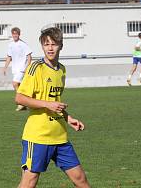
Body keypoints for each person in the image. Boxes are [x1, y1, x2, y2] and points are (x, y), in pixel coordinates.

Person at [15, 27, 91, 188]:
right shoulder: (36, 68)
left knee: (80, 179)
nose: (50, 48)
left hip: (60, 136)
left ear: (61, 46)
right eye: (46, 44)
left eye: (54, 44)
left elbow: (54, 100)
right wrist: (47, 104)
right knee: (29, 182)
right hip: (38, 137)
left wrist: (68, 118)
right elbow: (19, 98)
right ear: (42, 46)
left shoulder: (62, 70)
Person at [2, 27, 32, 111]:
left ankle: (21, 102)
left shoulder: (23, 44)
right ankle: (26, 102)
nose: (15, 35)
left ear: (19, 34)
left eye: (16, 34)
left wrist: (27, 67)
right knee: (20, 85)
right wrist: (5, 67)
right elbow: (9, 56)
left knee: (15, 84)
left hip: (22, 68)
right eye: (13, 34)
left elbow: (29, 56)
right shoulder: (10, 45)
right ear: (12, 34)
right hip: (15, 69)